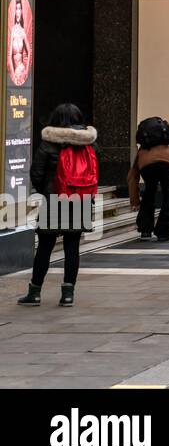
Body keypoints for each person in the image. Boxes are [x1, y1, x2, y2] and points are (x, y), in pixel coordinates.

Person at [18, 104, 97, 307]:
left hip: (54, 199)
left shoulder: (48, 143)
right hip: (81, 198)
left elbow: (36, 173)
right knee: (73, 246)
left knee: (45, 246)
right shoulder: (89, 143)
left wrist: (43, 191)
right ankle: (68, 294)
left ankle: (34, 292)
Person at [128, 117, 169, 241]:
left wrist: (134, 201)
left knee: (149, 193)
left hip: (147, 166)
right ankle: (164, 232)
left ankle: (145, 230)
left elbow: (132, 176)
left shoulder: (144, 148)